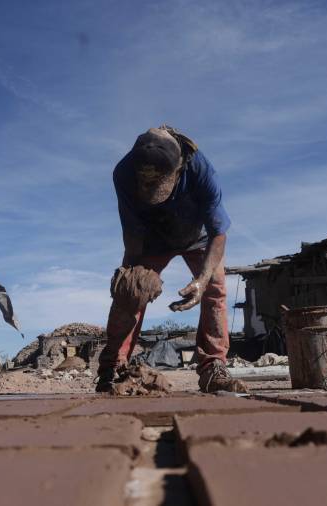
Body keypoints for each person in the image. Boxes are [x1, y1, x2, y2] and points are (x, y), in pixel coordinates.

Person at [97, 126, 246, 394]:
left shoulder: (199, 169)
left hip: (198, 237)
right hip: (151, 240)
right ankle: (112, 368)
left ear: (179, 169)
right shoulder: (123, 173)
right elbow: (131, 230)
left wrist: (201, 280)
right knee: (130, 291)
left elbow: (218, 233)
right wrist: (130, 280)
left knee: (213, 289)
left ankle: (213, 368)